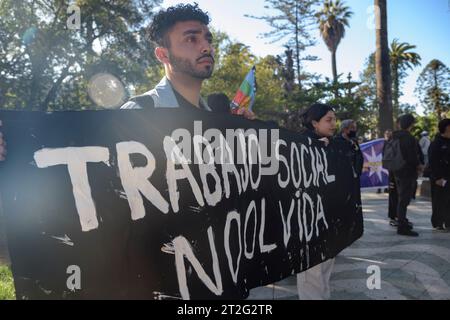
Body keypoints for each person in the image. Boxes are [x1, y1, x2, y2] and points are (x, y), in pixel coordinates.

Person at [296, 103, 337, 300]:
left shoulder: (331, 144)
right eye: (328, 120)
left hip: (327, 217)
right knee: (311, 273)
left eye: (334, 119)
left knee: (326, 268)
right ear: (314, 123)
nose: (333, 124)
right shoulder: (299, 146)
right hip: (308, 220)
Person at [391, 114, 422, 236]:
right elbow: (412, 157)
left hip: (396, 171)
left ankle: (402, 221)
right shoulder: (409, 138)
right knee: (404, 200)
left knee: (401, 198)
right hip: (407, 172)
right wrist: (418, 166)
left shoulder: (394, 136)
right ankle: (402, 227)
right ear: (411, 124)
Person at [429, 119, 450, 231]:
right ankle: (438, 222)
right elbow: (433, 162)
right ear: (446, 128)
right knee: (439, 201)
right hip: (439, 178)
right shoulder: (436, 143)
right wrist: (437, 177)